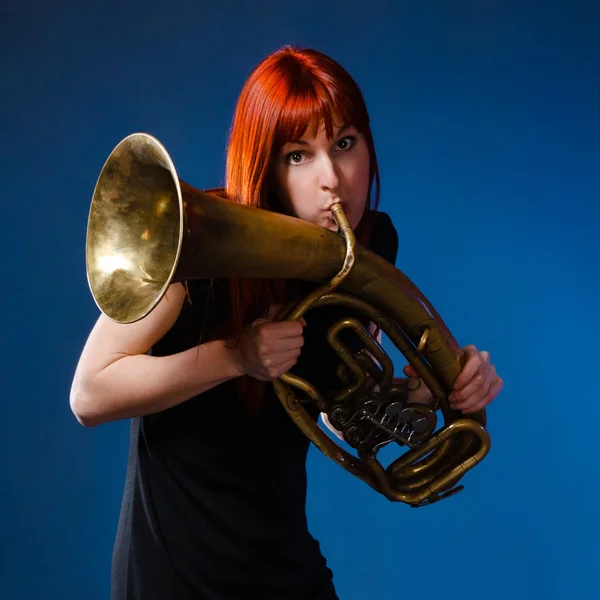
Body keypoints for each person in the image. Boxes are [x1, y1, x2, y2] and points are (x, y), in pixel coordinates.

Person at [70, 46, 503, 600]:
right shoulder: (194, 244)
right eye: (299, 156)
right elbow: (90, 392)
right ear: (265, 165)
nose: (332, 180)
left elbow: (337, 410)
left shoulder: (366, 245)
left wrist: (431, 390)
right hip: (174, 571)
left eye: (345, 145)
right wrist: (235, 357)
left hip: (278, 563)